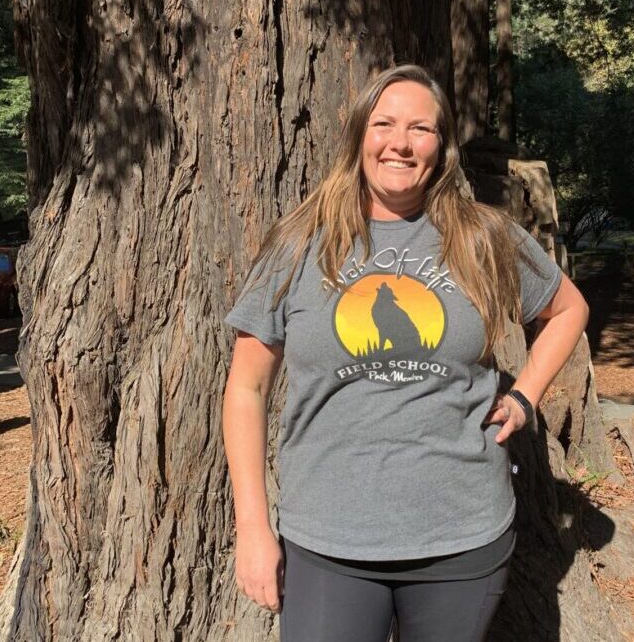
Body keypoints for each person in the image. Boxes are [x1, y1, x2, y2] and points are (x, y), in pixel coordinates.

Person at [222, 64, 589, 642]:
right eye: (384, 123)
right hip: (327, 539)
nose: (400, 142)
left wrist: (523, 397)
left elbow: (568, 311)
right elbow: (246, 388)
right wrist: (251, 528)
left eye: (420, 128)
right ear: (359, 136)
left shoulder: (482, 235)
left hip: (461, 536)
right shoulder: (299, 242)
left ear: (441, 147)